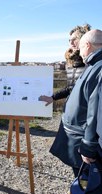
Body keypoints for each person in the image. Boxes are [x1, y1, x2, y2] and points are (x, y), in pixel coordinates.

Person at [39, 24, 91, 177]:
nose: (71, 43)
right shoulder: (72, 63)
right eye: (69, 40)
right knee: (74, 156)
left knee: (85, 158)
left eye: (74, 39)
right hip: (71, 115)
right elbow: (71, 88)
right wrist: (53, 98)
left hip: (85, 117)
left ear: (84, 39)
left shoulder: (90, 62)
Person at [64, 29, 102, 194]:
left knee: (93, 185)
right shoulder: (94, 64)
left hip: (91, 143)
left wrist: (88, 145)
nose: (79, 49)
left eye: (80, 45)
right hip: (84, 137)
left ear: (87, 44)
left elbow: (96, 110)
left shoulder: (98, 67)